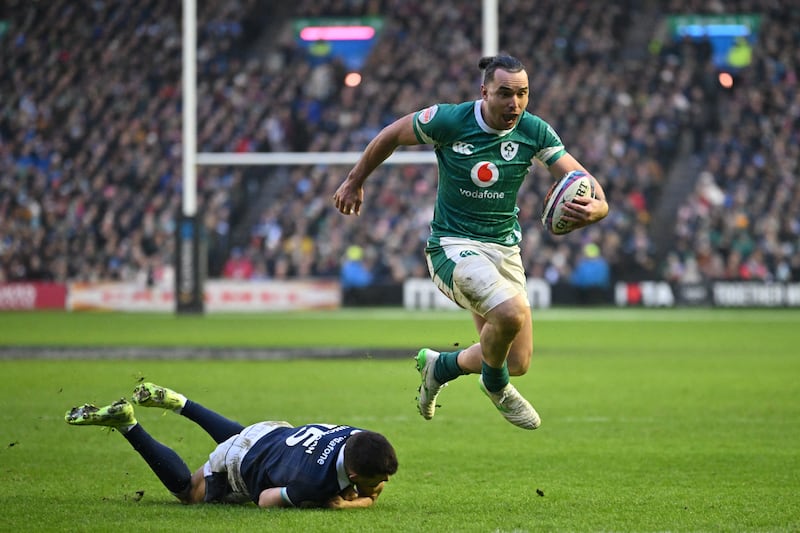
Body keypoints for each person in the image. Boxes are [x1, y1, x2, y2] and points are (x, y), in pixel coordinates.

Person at [333, 54, 609, 430]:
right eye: (505, 94)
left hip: (504, 250)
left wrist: (600, 207)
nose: (515, 103)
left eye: (523, 94)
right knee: (509, 318)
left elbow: (582, 178)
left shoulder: (533, 130)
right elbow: (392, 134)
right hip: (452, 246)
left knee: (518, 361)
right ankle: (496, 388)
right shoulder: (450, 120)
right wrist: (354, 180)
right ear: (485, 92)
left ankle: (440, 366)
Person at [65, 382, 398, 509]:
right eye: (378, 480)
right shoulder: (314, 483)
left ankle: (180, 402)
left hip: (270, 431)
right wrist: (342, 502)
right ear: (353, 473)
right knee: (187, 491)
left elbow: (363, 471)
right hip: (241, 463)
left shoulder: (360, 437)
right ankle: (128, 424)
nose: (383, 484)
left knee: (245, 438)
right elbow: (267, 499)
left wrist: (360, 489)